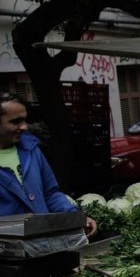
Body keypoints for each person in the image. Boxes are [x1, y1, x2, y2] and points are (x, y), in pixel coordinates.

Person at [0, 93, 96, 234]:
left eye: (25, 120)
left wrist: (75, 216)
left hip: (42, 240)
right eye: (16, 122)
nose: (24, 127)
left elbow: (50, 194)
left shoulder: (31, 149)